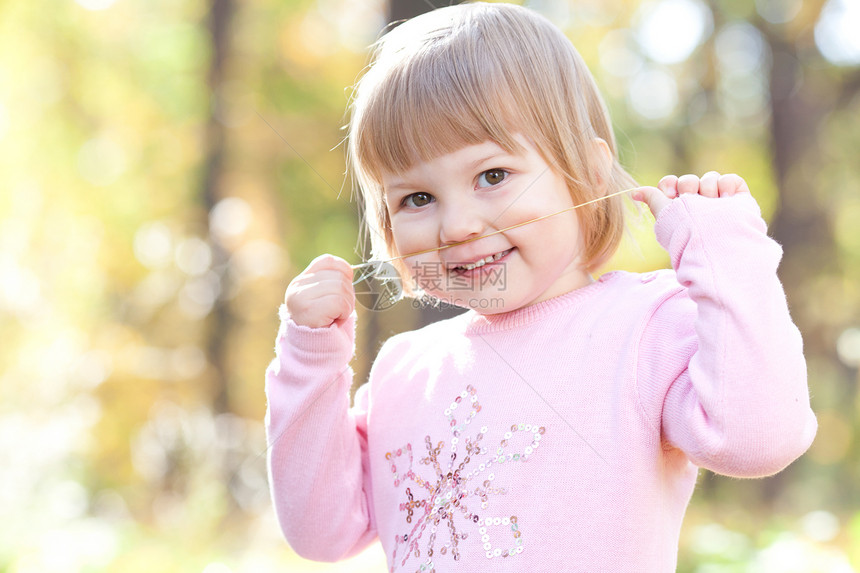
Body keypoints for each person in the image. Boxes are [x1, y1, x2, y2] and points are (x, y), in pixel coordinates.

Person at [265, 3, 817, 571]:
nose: (456, 226)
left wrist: (726, 258)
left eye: (493, 176)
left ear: (587, 172)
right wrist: (310, 359)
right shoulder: (404, 369)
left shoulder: (645, 325)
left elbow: (758, 440)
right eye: (417, 198)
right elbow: (321, 533)